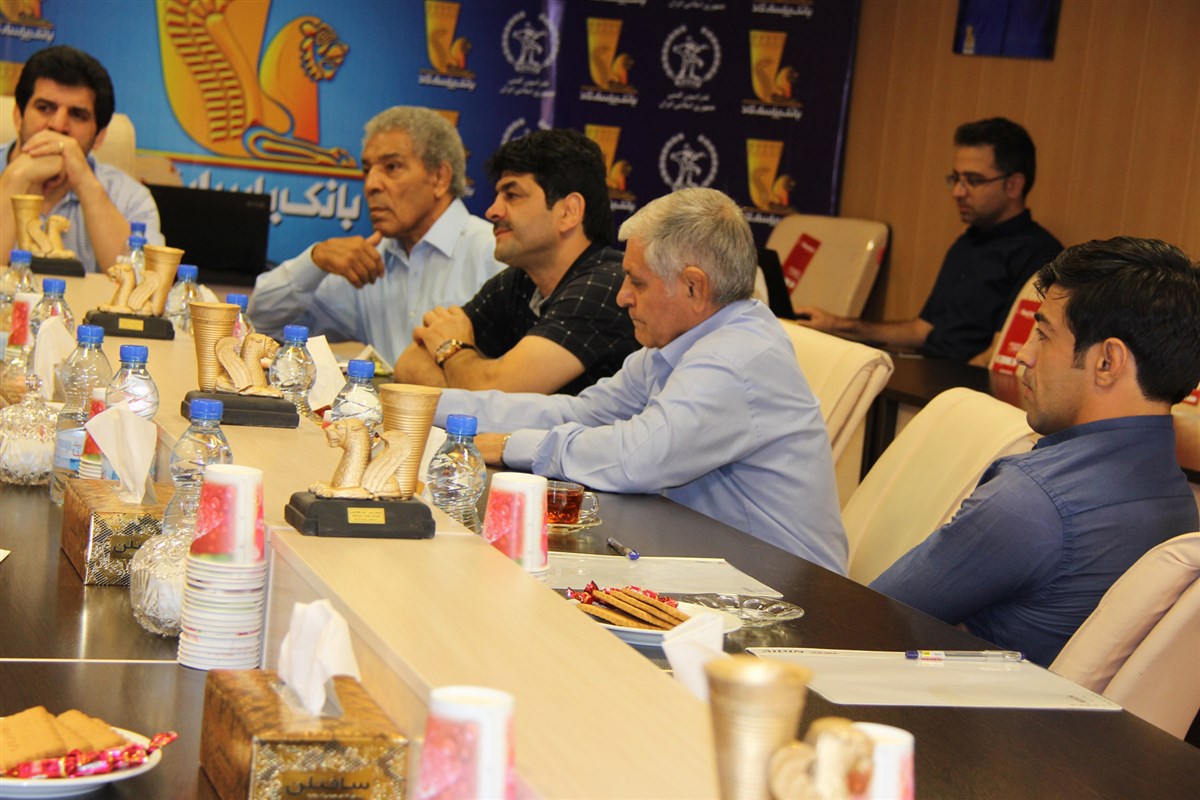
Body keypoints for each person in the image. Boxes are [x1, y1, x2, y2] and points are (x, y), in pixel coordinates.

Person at [434, 188, 848, 573]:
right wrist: (431, 404)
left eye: (637, 281)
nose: (622, 297)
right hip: (716, 563)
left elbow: (636, 458)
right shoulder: (679, 343)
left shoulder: (733, 360)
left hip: (787, 595)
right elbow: (578, 412)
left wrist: (513, 445)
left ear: (693, 286)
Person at [871, 237, 1200, 667]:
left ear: (1107, 362)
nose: (1023, 355)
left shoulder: (1033, 502)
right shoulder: (1178, 498)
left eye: (1043, 334)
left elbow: (869, 618)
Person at [248, 106, 503, 365]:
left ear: (439, 177)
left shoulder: (494, 253)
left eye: (392, 167)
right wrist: (315, 260)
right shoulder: (370, 263)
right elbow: (261, 323)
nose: (371, 185)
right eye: (367, 170)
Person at [796, 117, 1062, 361]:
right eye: (956, 179)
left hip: (967, 384)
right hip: (926, 366)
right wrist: (837, 325)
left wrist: (949, 393)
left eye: (973, 180)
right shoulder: (968, 242)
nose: (958, 192)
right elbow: (922, 330)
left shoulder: (1040, 255)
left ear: (1013, 185)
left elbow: (1000, 355)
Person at [394, 129, 637, 395]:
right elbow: (409, 366)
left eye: (512, 195)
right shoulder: (519, 282)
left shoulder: (606, 287)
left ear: (569, 212)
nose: (492, 211)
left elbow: (495, 390)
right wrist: (476, 383)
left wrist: (451, 349)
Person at [1, 45, 162, 273]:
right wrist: (15, 178)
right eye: (45, 108)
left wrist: (85, 183)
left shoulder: (130, 198)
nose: (58, 125)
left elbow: (143, 284)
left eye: (77, 115)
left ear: (100, 136)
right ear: (18, 116)